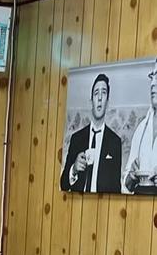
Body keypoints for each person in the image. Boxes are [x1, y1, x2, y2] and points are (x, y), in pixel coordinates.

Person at [60, 73, 122, 193]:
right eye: (96, 93)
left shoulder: (115, 142)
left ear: (107, 102)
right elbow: (63, 184)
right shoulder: (76, 138)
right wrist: (74, 169)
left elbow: (116, 189)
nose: (99, 97)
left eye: (103, 93)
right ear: (91, 102)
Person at [123, 57, 157, 194]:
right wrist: (131, 176)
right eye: (152, 77)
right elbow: (126, 184)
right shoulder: (141, 129)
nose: (152, 84)